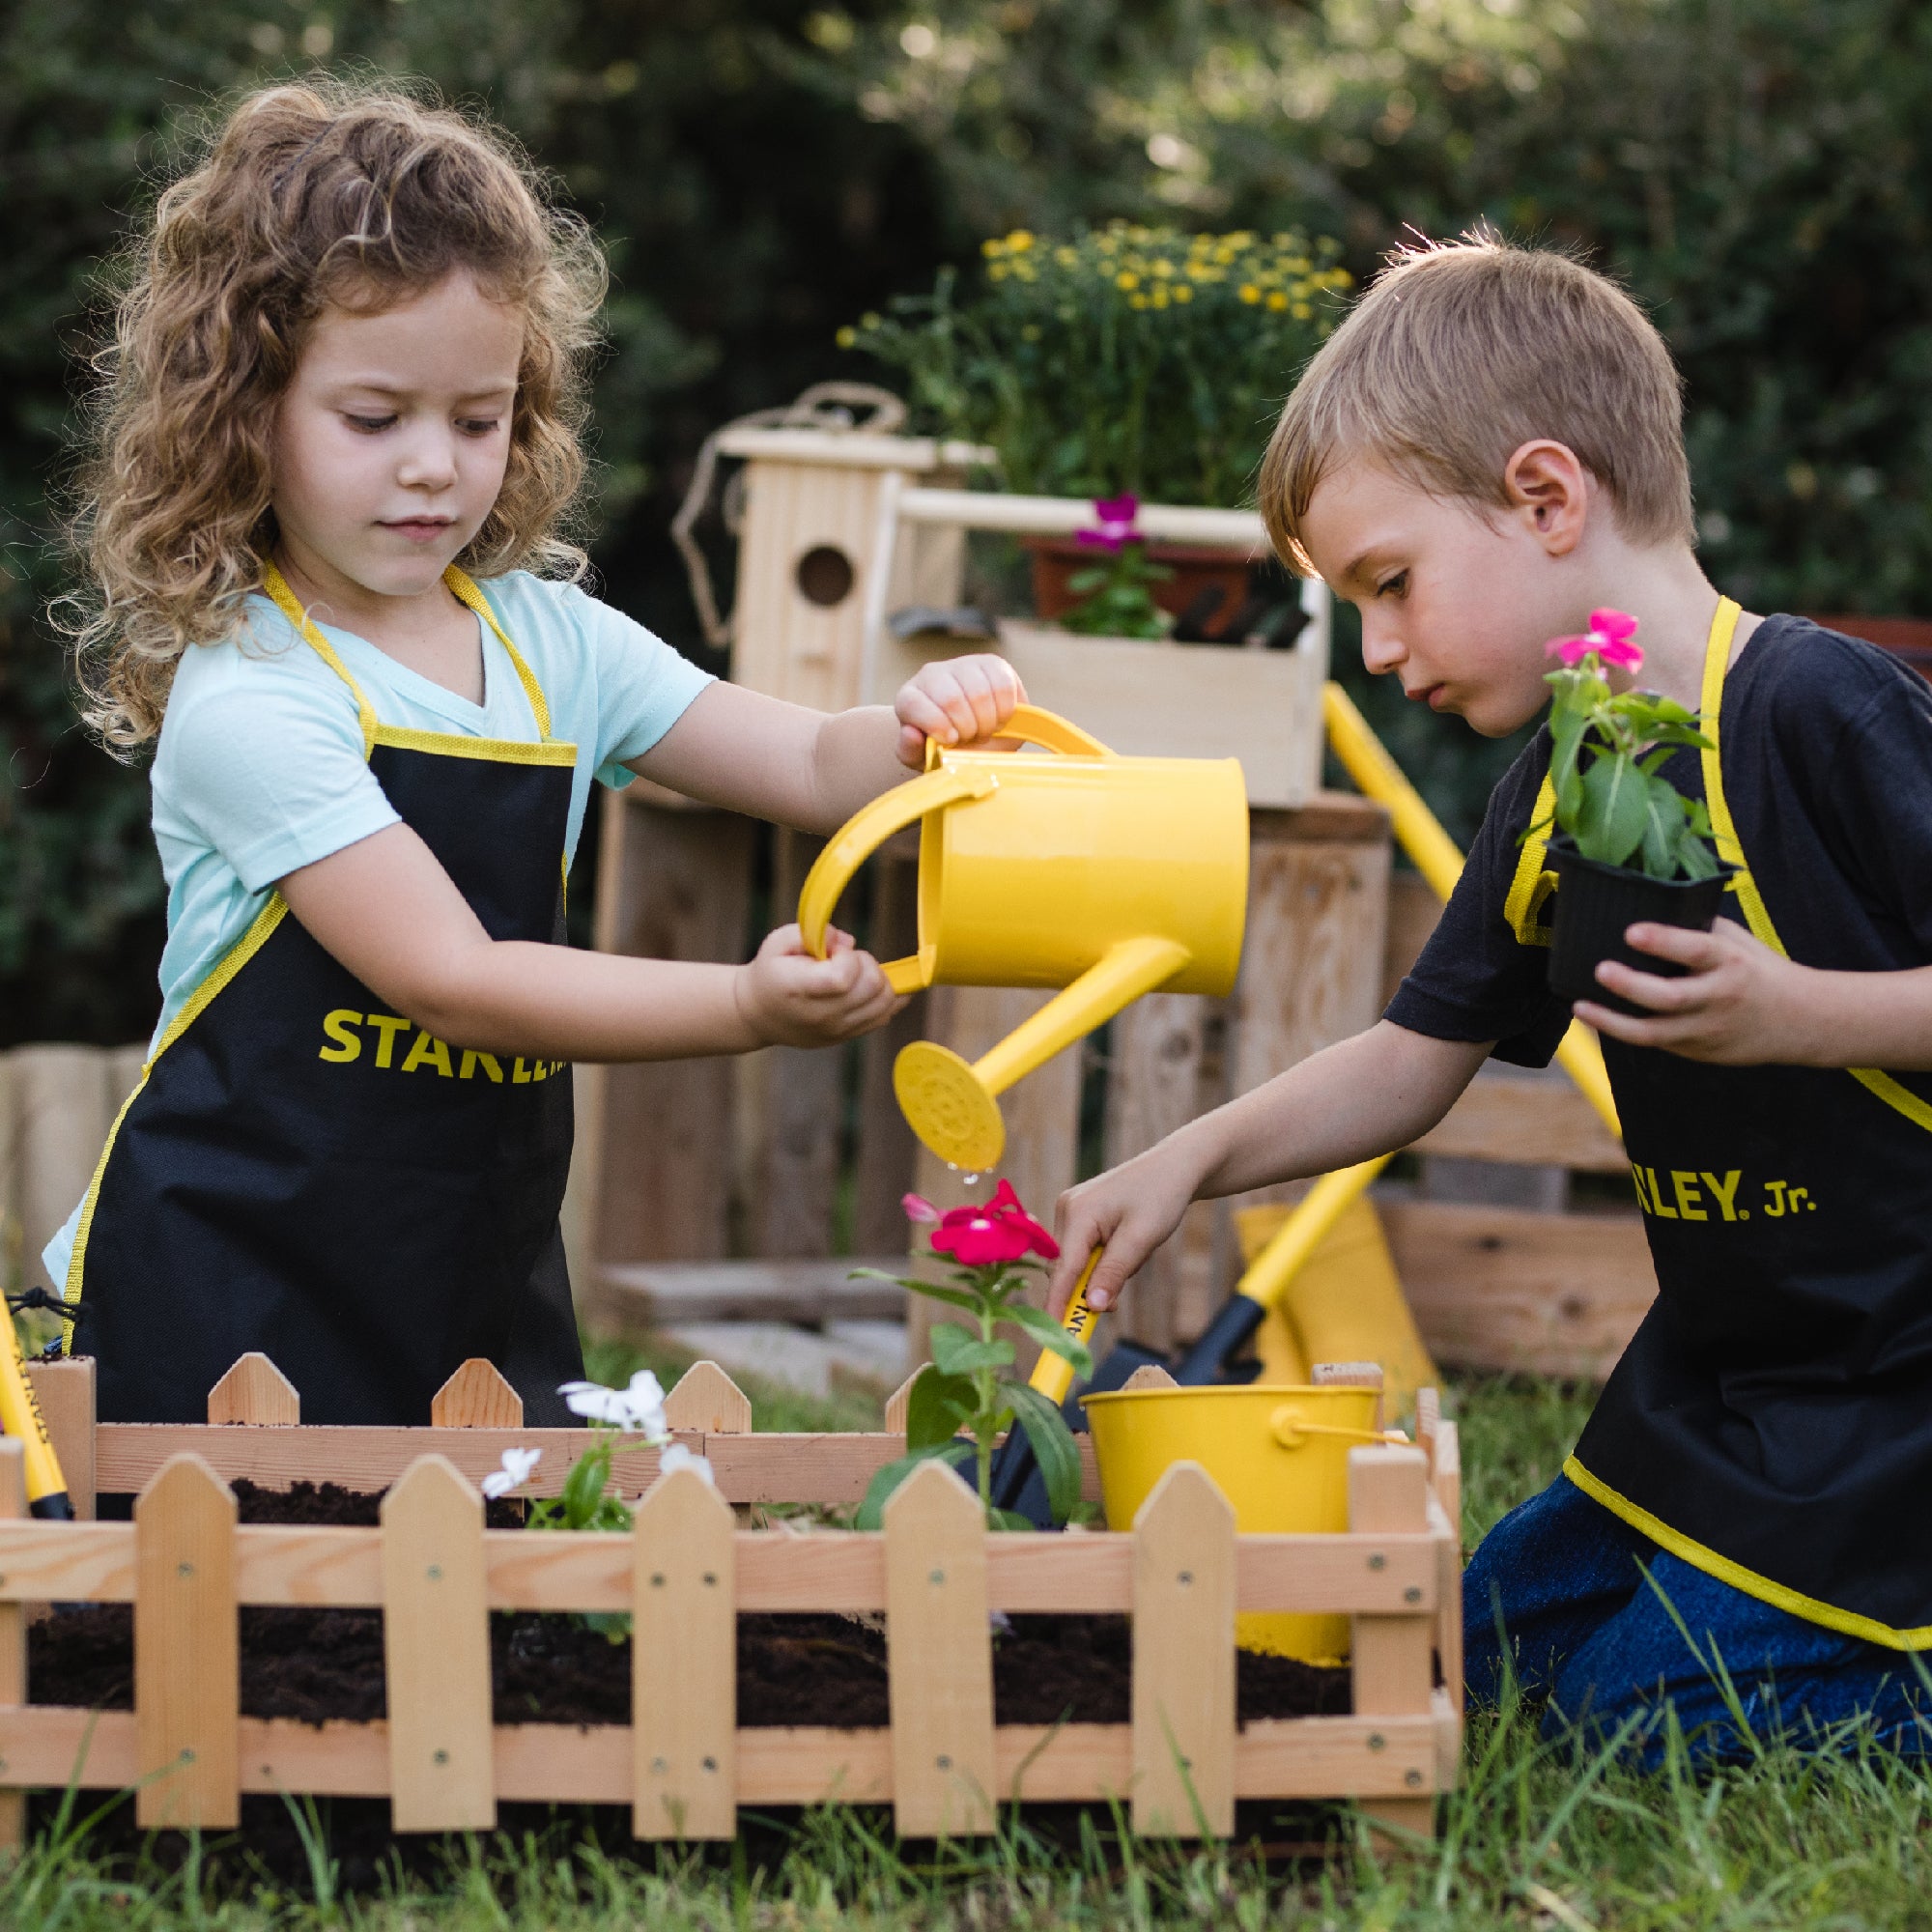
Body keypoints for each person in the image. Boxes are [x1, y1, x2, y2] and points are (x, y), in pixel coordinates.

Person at [1049, 234, 1932, 1754]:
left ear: (1545, 497)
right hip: (1723, 1401)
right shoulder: (1561, 785)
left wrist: (1807, 1017)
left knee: (1642, 1733)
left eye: (1390, 587)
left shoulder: (1812, 709)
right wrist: (1179, 1161)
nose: (1382, 651)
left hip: (1901, 1412)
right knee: (1470, 1668)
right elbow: (1412, 1058)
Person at [48, 79, 1023, 1430]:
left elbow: (804, 766)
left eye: (479, 415)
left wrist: (922, 731)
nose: (436, 468)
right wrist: (742, 1009)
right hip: (230, 1279)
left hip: (460, 1260)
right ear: (245, 407)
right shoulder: (254, 698)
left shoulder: (549, 644)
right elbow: (458, 983)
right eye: (375, 418)